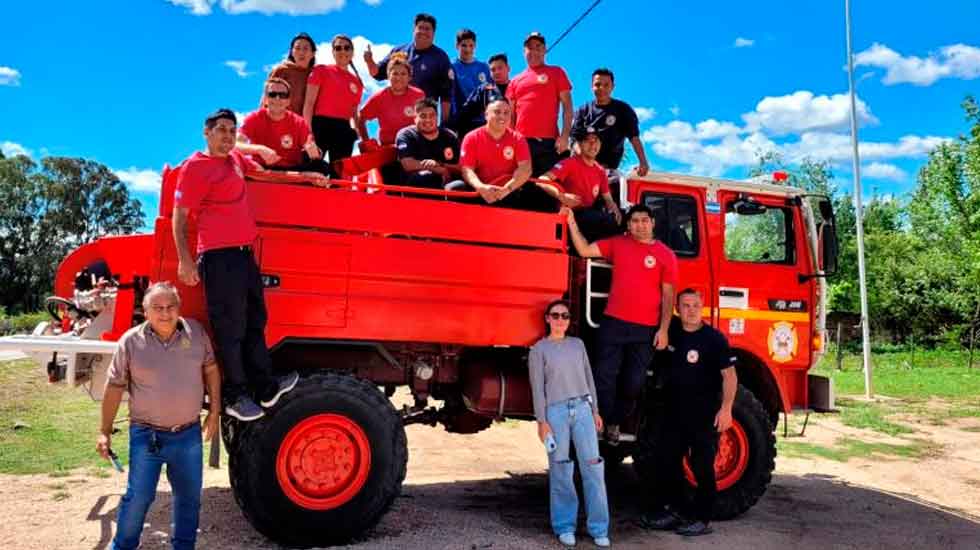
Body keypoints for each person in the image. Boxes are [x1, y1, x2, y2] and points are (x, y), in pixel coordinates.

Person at [172, 108, 303, 422]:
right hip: (219, 256)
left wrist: (305, 176)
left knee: (255, 321)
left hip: (244, 254)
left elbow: (264, 173)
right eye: (221, 130)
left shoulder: (234, 160)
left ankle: (265, 387)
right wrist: (185, 260)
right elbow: (180, 216)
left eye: (232, 130)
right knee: (230, 328)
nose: (227, 136)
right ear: (207, 132)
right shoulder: (196, 167)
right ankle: (236, 395)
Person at [97, 282, 219, 550]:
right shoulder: (130, 341)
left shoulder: (195, 332)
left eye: (171, 306)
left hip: (188, 435)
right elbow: (115, 387)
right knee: (138, 497)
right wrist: (104, 430)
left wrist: (215, 412)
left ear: (179, 307)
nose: (165, 313)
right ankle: (123, 546)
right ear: (145, 311)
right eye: (158, 308)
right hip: (146, 436)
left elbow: (211, 369)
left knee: (189, 498)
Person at [564, 204, 678, 444]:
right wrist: (571, 221)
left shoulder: (666, 254)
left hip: (645, 329)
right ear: (628, 225)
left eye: (644, 220)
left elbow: (669, 296)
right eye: (634, 221)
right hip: (613, 323)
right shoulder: (617, 244)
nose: (640, 225)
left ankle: (615, 421)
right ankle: (601, 422)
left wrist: (664, 330)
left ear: (653, 223)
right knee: (603, 376)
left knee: (633, 382)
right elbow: (584, 250)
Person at [641, 289, 737, 537]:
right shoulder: (670, 333)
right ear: (677, 309)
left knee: (702, 465)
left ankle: (703, 518)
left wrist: (726, 409)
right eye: (685, 305)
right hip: (673, 412)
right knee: (668, 462)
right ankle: (676, 511)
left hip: (704, 414)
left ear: (702, 307)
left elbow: (729, 376)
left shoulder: (714, 339)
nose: (691, 310)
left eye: (695, 305)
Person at [529, 300, 610, 548]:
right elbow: (538, 390)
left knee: (593, 468)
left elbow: (589, 379)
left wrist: (595, 410)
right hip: (556, 413)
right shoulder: (539, 350)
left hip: (583, 410)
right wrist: (542, 422)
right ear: (547, 319)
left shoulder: (578, 345)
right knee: (561, 469)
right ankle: (565, 526)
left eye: (565, 315)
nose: (560, 319)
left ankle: (599, 528)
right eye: (555, 315)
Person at [506, 32, 573, 180]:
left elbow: (567, 107)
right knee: (522, 186)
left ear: (545, 50)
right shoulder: (515, 81)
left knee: (548, 186)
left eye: (538, 47)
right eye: (530, 47)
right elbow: (511, 115)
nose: (534, 51)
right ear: (524, 52)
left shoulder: (557, 72)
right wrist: (509, 140)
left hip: (549, 143)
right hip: (522, 143)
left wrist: (564, 136)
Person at [365, 13, 453, 123]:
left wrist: (445, 124)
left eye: (427, 29)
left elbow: (446, 95)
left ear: (434, 33)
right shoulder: (398, 51)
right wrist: (369, 61)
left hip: (425, 120)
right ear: (414, 29)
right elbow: (377, 74)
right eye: (420, 28)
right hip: (395, 118)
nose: (423, 32)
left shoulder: (440, 57)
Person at [537, 127, 622, 241]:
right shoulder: (570, 163)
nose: (592, 144)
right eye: (588, 140)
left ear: (600, 144)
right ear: (580, 144)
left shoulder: (600, 171)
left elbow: (608, 199)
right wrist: (561, 196)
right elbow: (541, 180)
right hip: (569, 215)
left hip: (587, 215)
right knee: (602, 220)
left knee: (623, 220)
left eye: (596, 140)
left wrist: (616, 211)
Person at [239, 77, 330, 175]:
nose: (277, 98)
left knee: (322, 167)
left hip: (291, 170)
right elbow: (235, 144)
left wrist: (314, 153)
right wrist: (260, 149)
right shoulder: (254, 118)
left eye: (283, 95)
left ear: (288, 101)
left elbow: (313, 151)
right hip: (260, 167)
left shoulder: (298, 122)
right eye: (272, 94)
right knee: (235, 159)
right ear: (265, 99)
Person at [572, 68, 650, 176]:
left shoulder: (623, 110)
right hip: (583, 167)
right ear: (592, 87)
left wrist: (643, 162)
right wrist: (585, 160)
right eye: (597, 84)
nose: (601, 88)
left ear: (612, 87)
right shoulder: (583, 110)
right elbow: (575, 140)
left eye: (606, 85)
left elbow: (634, 137)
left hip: (608, 170)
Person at [304, 34, 364, 175]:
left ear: (352, 52)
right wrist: (307, 133)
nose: (342, 51)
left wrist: (357, 132)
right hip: (320, 126)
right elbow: (308, 104)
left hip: (343, 129)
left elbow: (355, 112)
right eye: (338, 48)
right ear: (333, 52)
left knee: (339, 176)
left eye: (346, 48)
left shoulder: (357, 82)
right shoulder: (321, 71)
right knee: (312, 168)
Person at [458, 98, 533, 208]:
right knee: (455, 187)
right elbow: (467, 170)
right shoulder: (471, 137)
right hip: (479, 190)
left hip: (507, 192)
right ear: (486, 115)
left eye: (506, 113)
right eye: (497, 112)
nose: (502, 116)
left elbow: (525, 169)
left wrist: (507, 189)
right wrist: (481, 188)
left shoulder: (518, 138)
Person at [357, 53, 426, 148]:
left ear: (410, 77)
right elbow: (361, 118)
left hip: (414, 145)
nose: (398, 77)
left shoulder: (419, 95)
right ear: (388, 76)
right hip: (388, 147)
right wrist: (366, 141)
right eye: (395, 74)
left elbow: (426, 120)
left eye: (403, 74)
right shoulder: (379, 98)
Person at [396, 98, 463, 191]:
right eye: (423, 116)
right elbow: (408, 164)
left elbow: (461, 167)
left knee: (459, 185)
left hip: (446, 184)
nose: (428, 120)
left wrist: (440, 165)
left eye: (432, 116)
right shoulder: (406, 135)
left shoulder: (450, 136)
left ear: (437, 117)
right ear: (415, 118)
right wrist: (436, 169)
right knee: (426, 176)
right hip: (415, 187)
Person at [452, 53, 511, 139]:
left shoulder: (517, 87)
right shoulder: (484, 90)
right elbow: (466, 112)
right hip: (489, 136)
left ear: (508, 68)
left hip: (512, 136)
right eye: (493, 70)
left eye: (500, 68)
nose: (497, 72)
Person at [262, 32, 316, 115]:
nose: (301, 52)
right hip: (281, 120)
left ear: (313, 53)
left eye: (305, 48)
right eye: (297, 48)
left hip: (305, 123)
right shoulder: (282, 70)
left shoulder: (316, 74)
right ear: (291, 52)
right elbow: (266, 98)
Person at [450, 29, 491, 126]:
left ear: (475, 46)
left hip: (482, 121)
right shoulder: (451, 67)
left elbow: (490, 94)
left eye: (471, 45)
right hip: (461, 120)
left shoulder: (484, 67)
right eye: (464, 45)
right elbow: (449, 96)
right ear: (457, 46)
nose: (468, 49)